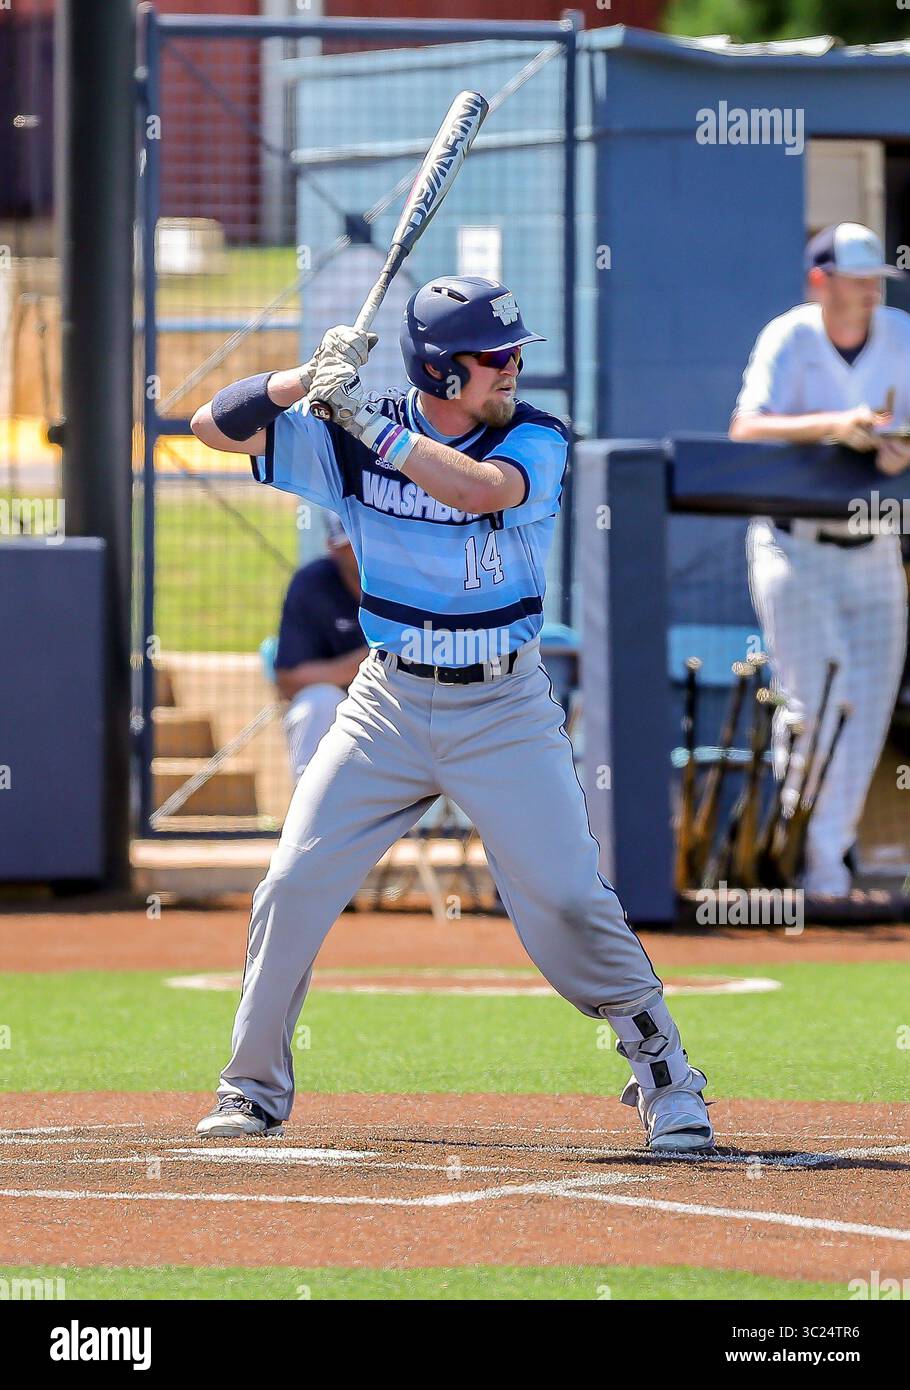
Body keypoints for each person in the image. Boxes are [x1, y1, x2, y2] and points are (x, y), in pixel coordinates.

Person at [189, 276, 714, 1153]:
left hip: (503, 705)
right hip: (386, 704)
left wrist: (368, 425)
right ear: (439, 368)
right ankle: (250, 1088)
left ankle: (665, 1075)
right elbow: (210, 427)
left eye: (515, 354)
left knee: (568, 899)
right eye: (494, 357)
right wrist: (297, 382)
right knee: (291, 883)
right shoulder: (350, 431)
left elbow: (477, 490)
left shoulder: (533, 437)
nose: (512, 369)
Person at [730, 223, 910, 895]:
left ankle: (827, 864)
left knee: (866, 707)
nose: (868, 292)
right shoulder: (790, 335)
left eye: (873, 280)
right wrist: (835, 426)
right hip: (793, 544)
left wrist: (897, 449)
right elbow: (745, 428)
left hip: (873, 546)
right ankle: (795, 851)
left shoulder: (899, 333)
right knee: (811, 708)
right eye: (856, 279)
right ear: (820, 280)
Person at [275, 512, 367, 781]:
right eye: (352, 545)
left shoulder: (409, 581)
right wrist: (371, 661)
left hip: (406, 702)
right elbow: (289, 679)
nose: (362, 552)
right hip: (342, 707)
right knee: (317, 703)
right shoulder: (312, 584)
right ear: (333, 547)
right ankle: (312, 811)